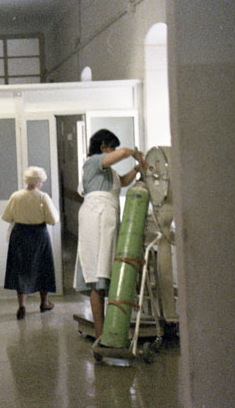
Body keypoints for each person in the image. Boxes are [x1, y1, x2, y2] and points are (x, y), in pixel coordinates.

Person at [74, 129, 146, 339]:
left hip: (107, 217)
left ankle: (109, 331)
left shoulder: (108, 172)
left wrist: (137, 168)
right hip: (96, 217)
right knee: (97, 274)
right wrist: (134, 153)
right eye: (111, 147)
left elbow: (123, 181)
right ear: (103, 146)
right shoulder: (93, 162)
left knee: (106, 271)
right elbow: (121, 153)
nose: (114, 150)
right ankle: (100, 334)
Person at [2, 166, 60, 320]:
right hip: (38, 235)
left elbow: (7, 216)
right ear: (39, 182)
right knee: (43, 268)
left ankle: (22, 305)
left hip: (19, 235)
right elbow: (53, 220)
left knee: (21, 270)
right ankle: (44, 302)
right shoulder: (42, 197)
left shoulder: (16, 196)